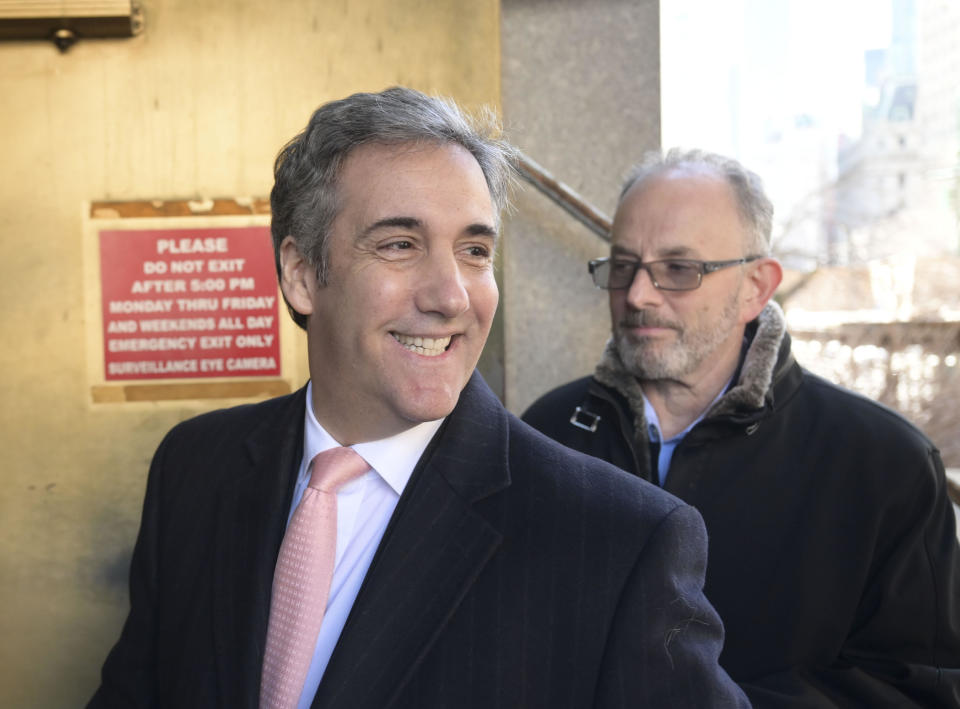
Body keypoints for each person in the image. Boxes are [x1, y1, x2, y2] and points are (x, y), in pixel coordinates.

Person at [87, 90, 748, 708]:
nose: (451, 295)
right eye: (400, 244)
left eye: (474, 249)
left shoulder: (620, 539)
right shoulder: (195, 467)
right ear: (300, 273)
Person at [522, 148, 960, 707]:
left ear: (756, 286)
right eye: (623, 265)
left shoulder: (884, 465)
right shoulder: (546, 433)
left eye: (679, 269)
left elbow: (919, 688)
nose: (637, 295)